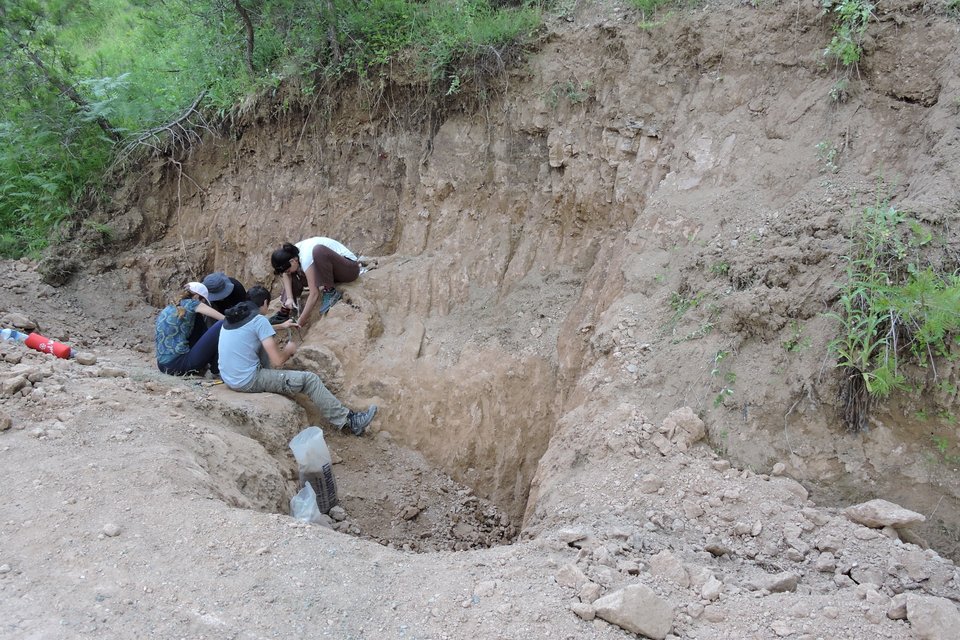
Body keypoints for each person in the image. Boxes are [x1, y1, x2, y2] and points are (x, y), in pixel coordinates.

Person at [217, 285, 377, 436]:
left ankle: (269, 377)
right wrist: (289, 350)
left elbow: (250, 332)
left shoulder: (235, 316)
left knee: (261, 345)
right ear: (265, 303)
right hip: (246, 381)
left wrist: (281, 326)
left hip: (229, 377)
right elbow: (278, 361)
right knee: (310, 380)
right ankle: (350, 421)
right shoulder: (260, 321)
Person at [269, 237, 362, 328]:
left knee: (318, 250)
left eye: (288, 269)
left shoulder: (305, 257)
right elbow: (286, 274)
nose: (287, 272)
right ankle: (284, 312)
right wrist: (289, 298)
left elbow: (314, 293)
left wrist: (302, 319)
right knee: (292, 273)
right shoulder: (291, 254)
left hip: (349, 269)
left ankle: (330, 291)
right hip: (331, 272)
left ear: (292, 261)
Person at [155, 282, 225, 376]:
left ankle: (210, 365)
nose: (203, 303)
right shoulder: (193, 304)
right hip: (179, 365)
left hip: (163, 366)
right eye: (203, 300)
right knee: (220, 325)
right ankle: (216, 370)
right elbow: (223, 319)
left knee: (197, 319)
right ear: (196, 296)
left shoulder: (171, 307)